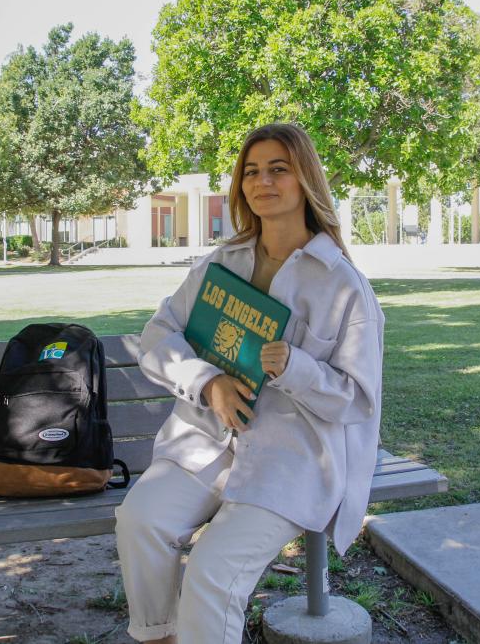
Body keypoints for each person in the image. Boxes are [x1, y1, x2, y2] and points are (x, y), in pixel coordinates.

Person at [114, 123, 385, 643]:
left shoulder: (342, 285)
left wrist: (297, 369)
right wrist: (207, 381)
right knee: (141, 520)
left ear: (305, 178)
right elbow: (157, 336)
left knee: (212, 574)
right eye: (252, 172)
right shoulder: (221, 263)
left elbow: (358, 399)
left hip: (292, 458)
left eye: (278, 169)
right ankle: (160, 636)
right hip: (205, 443)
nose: (263, 182)